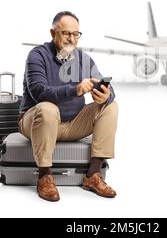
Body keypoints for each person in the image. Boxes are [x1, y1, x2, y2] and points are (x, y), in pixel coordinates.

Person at [18, 11, 118, 202]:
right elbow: (39, 92)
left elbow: (109, 90)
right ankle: (45, 176)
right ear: (52, 32)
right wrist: (76, 89)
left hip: (72, 124)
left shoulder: (84, 59)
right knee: (48, 107)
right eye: (66, 33)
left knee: (111, 106)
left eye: (76, 34)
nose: (71, 38)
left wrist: (106, 95)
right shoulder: (37, 55)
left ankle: (93, 175)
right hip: (36, 122)